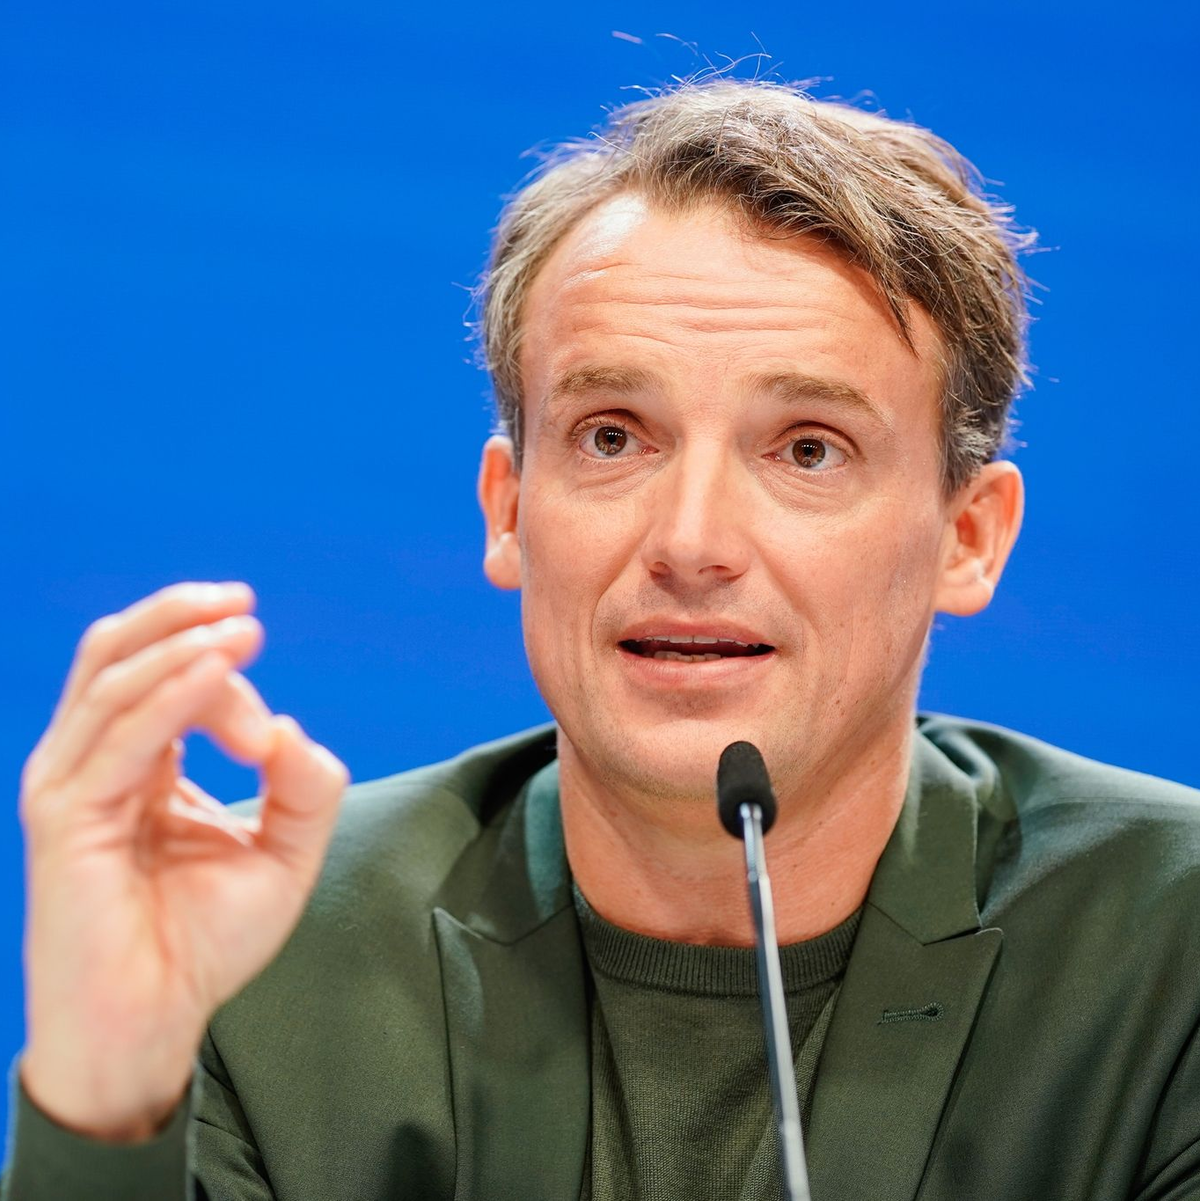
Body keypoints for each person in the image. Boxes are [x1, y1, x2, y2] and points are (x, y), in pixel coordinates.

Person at [3, 77, 1199, 1201]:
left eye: (808, 449)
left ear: (968, 538)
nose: (691, 541)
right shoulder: (262, 952)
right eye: (614, 437)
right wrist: (108, 1095)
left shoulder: (1169, 957)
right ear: (511, 510)